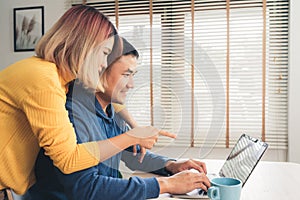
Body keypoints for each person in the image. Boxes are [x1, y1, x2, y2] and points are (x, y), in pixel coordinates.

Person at [0, 5, 175, 196]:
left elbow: (108, 97)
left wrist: (133, 124)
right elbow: (68, 160)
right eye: (104, 53)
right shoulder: (43, 79)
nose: (102, 64)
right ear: (85, 45)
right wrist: (132, 136)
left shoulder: (61, 81)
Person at [27, 38, 211, 200]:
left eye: (133, 75)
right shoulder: (71, 115)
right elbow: (86, 189)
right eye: (126, 74)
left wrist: (170, 165)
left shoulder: (109, 109)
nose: (131, 85)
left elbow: (128, 153)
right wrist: (166, 184)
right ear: (99, 70)